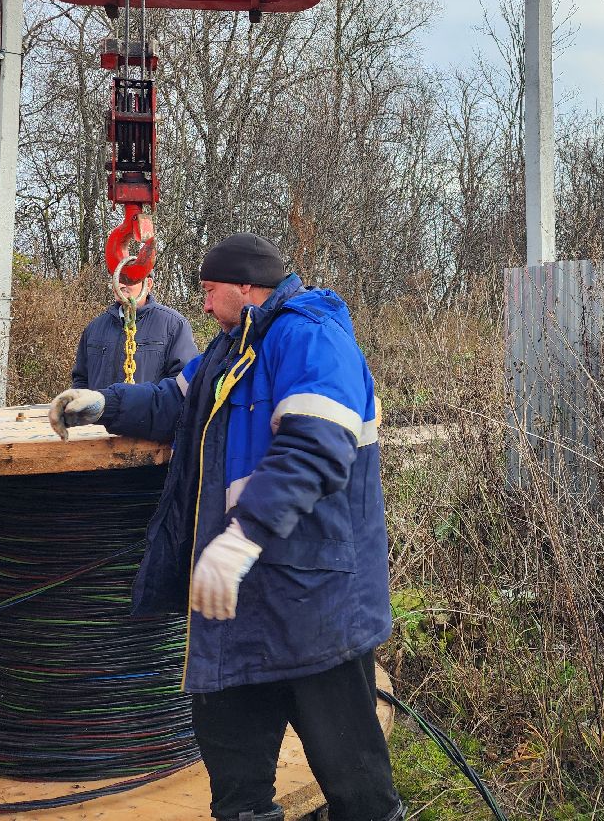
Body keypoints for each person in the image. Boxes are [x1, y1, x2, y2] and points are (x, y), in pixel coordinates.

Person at [49, 234, 403, 821]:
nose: (205, 304)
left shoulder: (311, 338)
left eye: (211, 290)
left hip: (314, 605)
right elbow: (173, 401)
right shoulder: (229, 350)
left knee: (356, 787)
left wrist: (241, 538)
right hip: (236, 609)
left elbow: (315, 449)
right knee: (237, 792)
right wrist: (104, 404)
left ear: (245, 286)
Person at [71, 272, 197, 389]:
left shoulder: (173, 325)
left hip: (147, 407)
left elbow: (183, 383)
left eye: (128, 279)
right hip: (102, 407)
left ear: (148, 284)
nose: (120, 285)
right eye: (116, 279)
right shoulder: (94, 328)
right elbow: (81, 380)